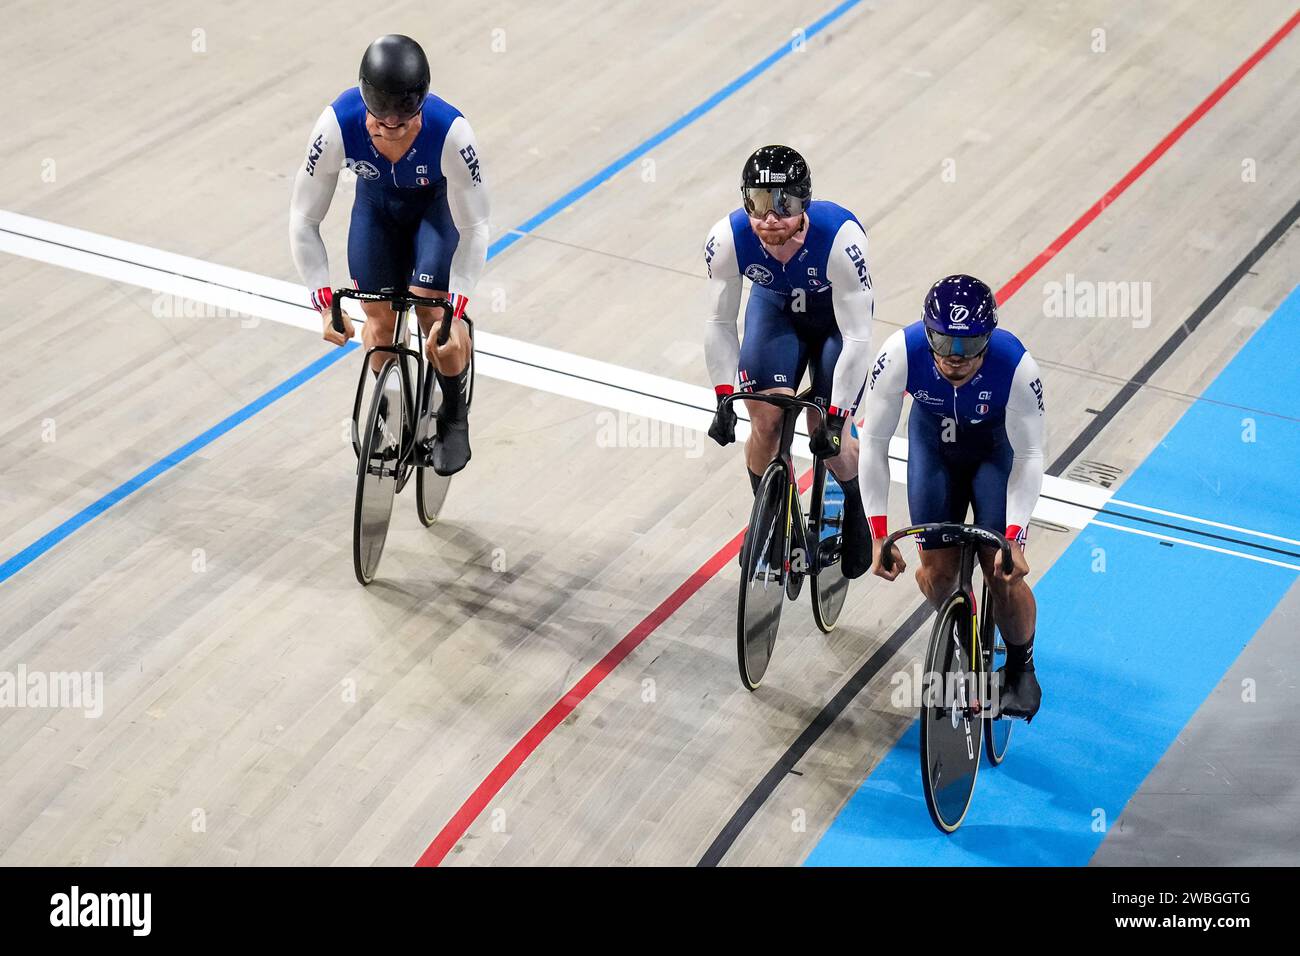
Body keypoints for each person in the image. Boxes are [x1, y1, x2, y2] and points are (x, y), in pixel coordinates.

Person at [289, 34, 489, 475]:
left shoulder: (451, 133)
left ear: (420, 110)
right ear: (364, 103)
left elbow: (474, 227)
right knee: (378, 322)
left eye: (402, 123)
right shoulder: (336, 125)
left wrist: (457, 303)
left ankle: (454, 419)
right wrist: (324, 304)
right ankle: (388, 406)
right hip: (376, 212)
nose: (387, 130)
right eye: (378, 121)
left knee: (435, 322)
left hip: (435, 214)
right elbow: (304, 220)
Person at [857, 274, 1045, 719]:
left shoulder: (1016, 367)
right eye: (943, 342)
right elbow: (874, 441)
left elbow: (1031, 455)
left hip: (993, 455)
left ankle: (1021, 669)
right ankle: (964, 637)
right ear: (926, 332)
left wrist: (1014, 539)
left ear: (988, 338)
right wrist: (878, 532)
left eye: (968, 345)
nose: (955, 358)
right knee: (938, 577)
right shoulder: (899, 353)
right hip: (933, 449)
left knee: (1001, 573)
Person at [702, 145, 875, 577]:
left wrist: (836, 418)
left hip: (835, 324)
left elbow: (857, 338)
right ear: (746, 202)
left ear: (805, 203)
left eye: (785, 204)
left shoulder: (840, 240)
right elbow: (720, 323)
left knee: (824, 431)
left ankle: (855, 505)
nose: (771, 217)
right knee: (766, 422)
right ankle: (770, 516)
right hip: (776, 313)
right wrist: (724, 397)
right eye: (760, 203)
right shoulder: (727, 239)